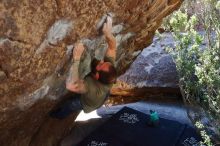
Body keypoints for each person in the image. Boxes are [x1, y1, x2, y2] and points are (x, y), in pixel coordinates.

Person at [50, 16, 117, 119]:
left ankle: (58, 115)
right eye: (104, 62)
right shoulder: (109, 71)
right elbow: (112, 47)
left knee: (71, 104)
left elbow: (71, 86)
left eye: (101, 65)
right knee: (89, 89)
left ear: (97, 76)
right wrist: (108, 34)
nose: (102, 61)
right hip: (103, 93)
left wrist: (76, 58)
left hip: (89, 103)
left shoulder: (93, 89)